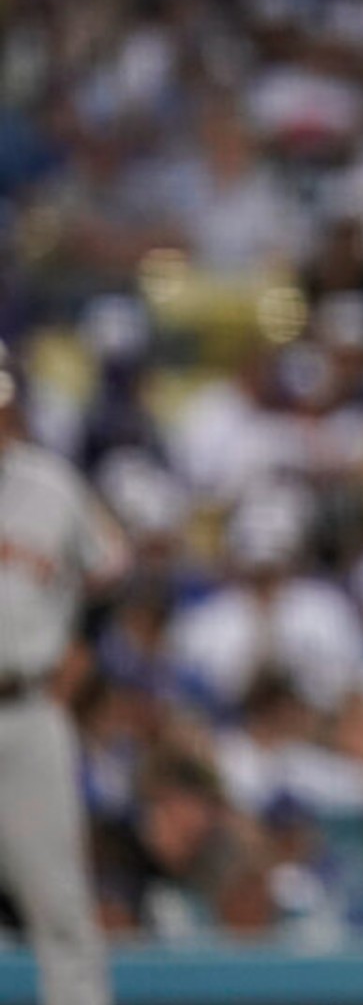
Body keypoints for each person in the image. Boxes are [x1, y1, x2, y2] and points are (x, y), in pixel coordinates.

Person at [0, 342, 128, 1005]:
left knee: (62, 910)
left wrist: (81, 648)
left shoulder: (51, 486)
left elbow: (112, 574)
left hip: (27, 708)